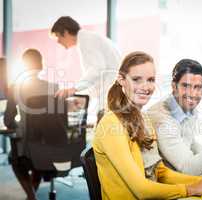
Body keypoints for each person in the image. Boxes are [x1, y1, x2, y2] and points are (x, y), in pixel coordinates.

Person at [92, 51, 202, 200]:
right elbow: (141, 190)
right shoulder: (111, 125)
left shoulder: (143, 118)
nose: (146, 87)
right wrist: (191, 189)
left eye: (150, 80)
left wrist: (201, 181)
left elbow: (160, 172)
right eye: (137, 79)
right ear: (121, 80)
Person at [4, 49, 58, 200]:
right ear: (41, 65)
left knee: (16, 158)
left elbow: (8, 120)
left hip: (28, 148)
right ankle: (31, 196)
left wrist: (20, 126)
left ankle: (31, 196)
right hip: (50, 148)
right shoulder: (53, 87)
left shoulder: (16, 88)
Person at [50, 16, 121, 112]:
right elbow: (100, 77)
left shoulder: (86, 40)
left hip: (112, 97)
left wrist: (74, 89)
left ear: (66, 32)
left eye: (58, 36)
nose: (58, 41)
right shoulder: (89, 38)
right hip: (112, 95)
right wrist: (86, 97)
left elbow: (97, 70)